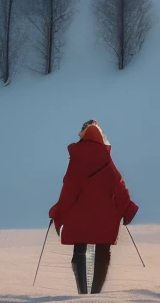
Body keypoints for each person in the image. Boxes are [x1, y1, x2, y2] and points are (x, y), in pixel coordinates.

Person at [49, 120, 138, 294]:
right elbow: (119, 186)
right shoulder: (106, 158)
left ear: (82, 134)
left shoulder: (77, 159)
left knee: (80, 248)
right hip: (105, 216)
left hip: (79, 215)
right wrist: (127, 209)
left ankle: (82, 292)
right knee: (103, 249)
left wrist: (58, 211)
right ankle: (96, 293)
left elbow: (69, 189)